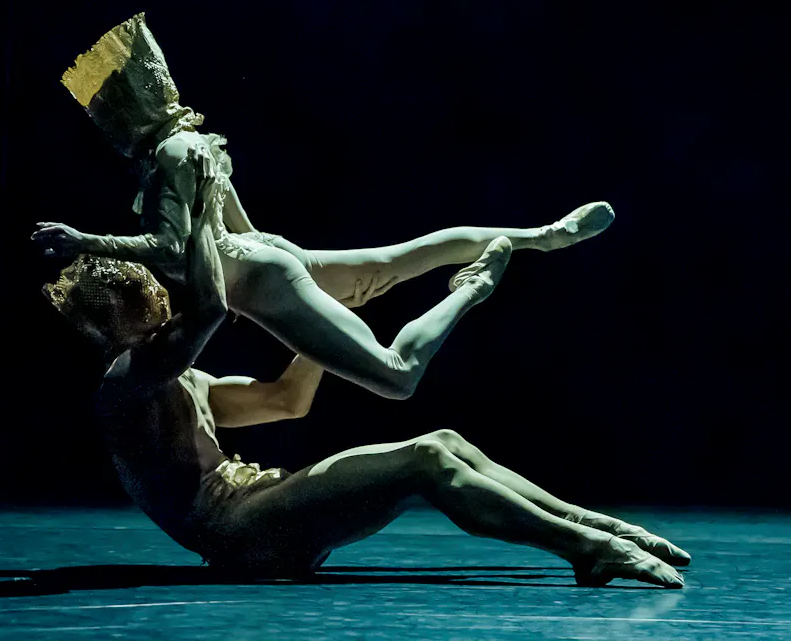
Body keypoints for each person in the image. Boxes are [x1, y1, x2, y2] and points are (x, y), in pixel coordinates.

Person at [40, 181, 688, 588]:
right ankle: (588, 550)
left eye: (154, 290)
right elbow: (209, 310)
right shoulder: (126, 382)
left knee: (446, 441)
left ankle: (594, 526)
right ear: (110, 324)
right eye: (144, 298)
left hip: (266, 510)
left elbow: (286, 399)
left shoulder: (186, 379)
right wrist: (198, 202)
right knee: (427, 462)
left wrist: (324, 329)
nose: (160, 300)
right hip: (242, 533)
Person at [33, 11, 615, 401]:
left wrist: (82, 239)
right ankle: (544, 233)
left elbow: (167, 247)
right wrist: (283, 257)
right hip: (263, 256)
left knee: (396, 378)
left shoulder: (166, 155)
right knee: (394, 261)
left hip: (260, 279)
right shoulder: (193, 143)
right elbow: (237, 220)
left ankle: (474, 286)